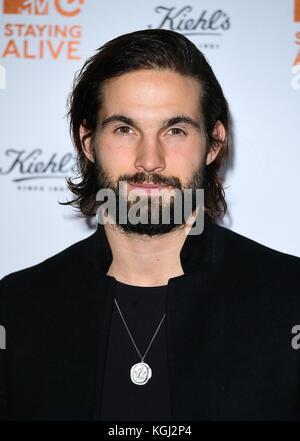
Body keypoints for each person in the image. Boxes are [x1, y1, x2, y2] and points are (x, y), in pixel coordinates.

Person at [0, 29, 299, 421]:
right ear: (88, 142)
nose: (149, 159)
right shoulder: (17, 308)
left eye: (175, 131)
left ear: (213, 143)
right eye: (125, 129)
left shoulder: (290, 297)